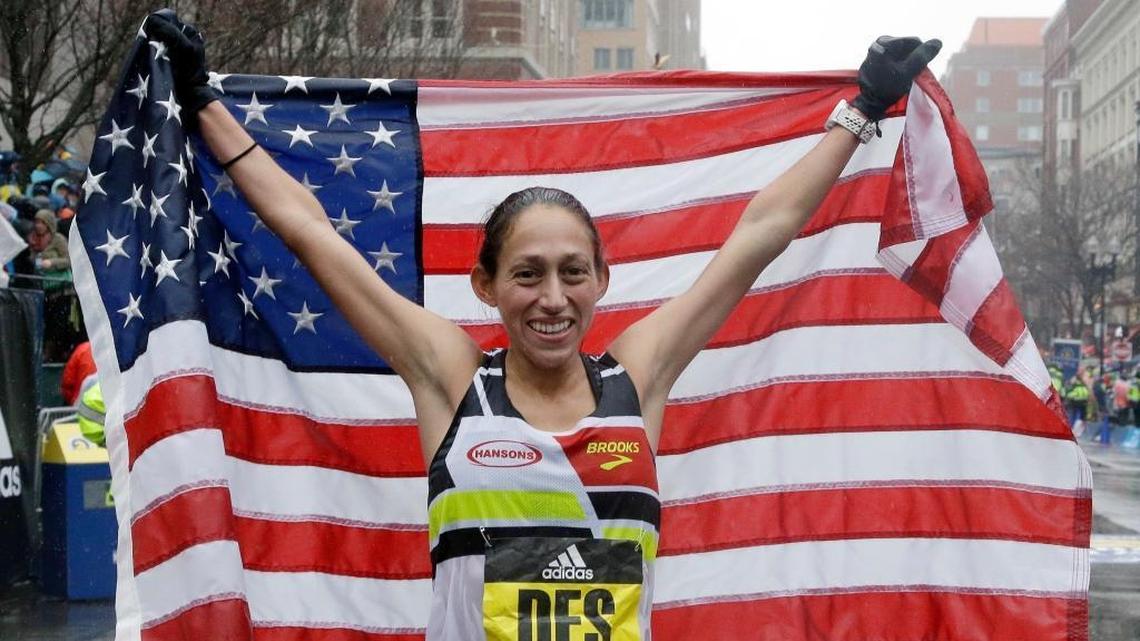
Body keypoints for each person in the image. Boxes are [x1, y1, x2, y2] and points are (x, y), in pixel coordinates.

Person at [148, 10, 940, 639]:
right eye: (527, 274)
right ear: (486, 285)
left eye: (571, 272)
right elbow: (310, 233)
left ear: (602, 280)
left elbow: (760, 233)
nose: (552, 297)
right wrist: (200, 101)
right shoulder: (449, 376)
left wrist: (862, 109)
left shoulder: (639, 374)